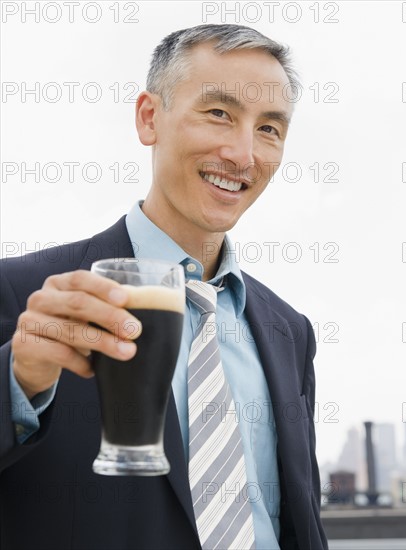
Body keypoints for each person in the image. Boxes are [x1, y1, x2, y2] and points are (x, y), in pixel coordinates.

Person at [0, 24, 328, 550]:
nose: (243, 154)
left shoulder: (290, 330)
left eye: (269, 128)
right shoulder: (22, 293)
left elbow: (298, 521)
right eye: (218, 112)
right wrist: (17, 379)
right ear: (149, 118)